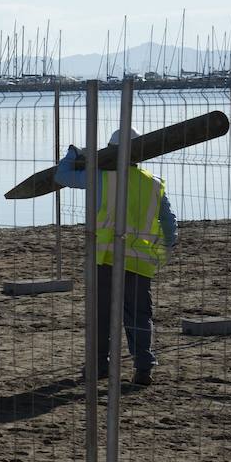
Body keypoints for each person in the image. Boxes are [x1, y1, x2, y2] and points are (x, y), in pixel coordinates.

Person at [56, 129, 178, 385]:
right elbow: (168, 222)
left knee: (101, 316)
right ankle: (144, 369)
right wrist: (166, 249)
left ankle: (99, 366)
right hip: (140, 262)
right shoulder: (154, 183)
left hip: (106, 260)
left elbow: (62, 175)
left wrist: (73, 152)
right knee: (139, 316)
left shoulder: (102, 178)